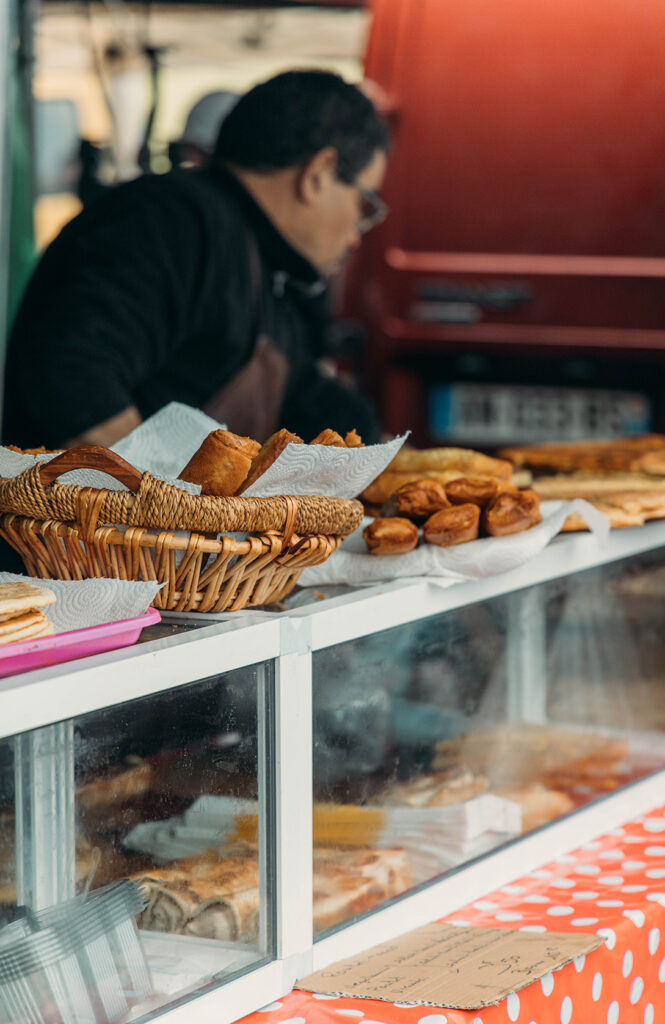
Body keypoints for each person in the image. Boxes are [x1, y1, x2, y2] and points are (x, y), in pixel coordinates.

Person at [3, 69, 390, 450]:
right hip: (71, 511)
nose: (358, 234)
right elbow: (71, 376)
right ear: (318, 175)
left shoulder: (266, 266)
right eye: (365, 203)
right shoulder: (172, 220)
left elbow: (304, 395)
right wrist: (171, 505)